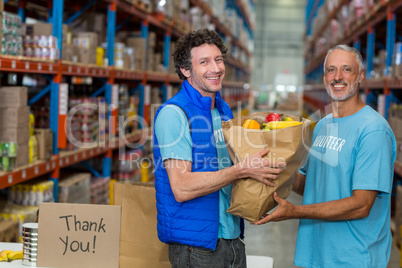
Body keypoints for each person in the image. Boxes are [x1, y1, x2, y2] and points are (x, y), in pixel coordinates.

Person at [153, 28, 286, 268]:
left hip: (232, 237)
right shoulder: (174, 114)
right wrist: (241, 171)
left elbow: (228, 170)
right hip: (197, 246)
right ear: (185, 70)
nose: (215, 68)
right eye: (204, 62)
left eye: (218, 59)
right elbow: (181, 187)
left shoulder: (222, 110)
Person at [255, 44, 397, 267]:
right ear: (324, 78)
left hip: (352, 258)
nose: (337, 77)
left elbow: (361, 205)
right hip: (315, 253)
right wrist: (276, 164)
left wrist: (295, 211)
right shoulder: (322, 126)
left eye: (346, 70)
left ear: (360, 76)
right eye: (331, 70)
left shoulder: (373, 130)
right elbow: (309, 184)